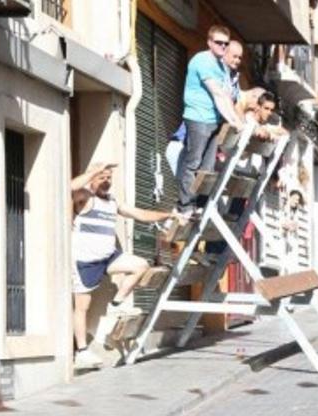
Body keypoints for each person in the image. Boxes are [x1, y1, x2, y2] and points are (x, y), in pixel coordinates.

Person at [71, 163, 180, 369]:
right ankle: (82, 352)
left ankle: (116, 304)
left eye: (109, 177)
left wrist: (169, 215)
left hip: (109, 257)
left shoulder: (113, 201)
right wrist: (94, 170)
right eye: (102, 177)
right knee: (82, 307)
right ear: (92, 178)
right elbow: (69, 188)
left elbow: (141, 214)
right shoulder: (85, 197)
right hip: (85, 261)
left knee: (140, 265)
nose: (106, 181)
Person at [176, 25, 244, 215]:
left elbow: (227, 96)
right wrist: (236, 122)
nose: (222, 46)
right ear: (209, 42)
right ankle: (185, 206)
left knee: (207, 168)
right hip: (198, 118)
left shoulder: (221, 66)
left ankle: (199, 204)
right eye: (218, 42)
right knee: (193, 163)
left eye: (225, 43)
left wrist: (235, 120)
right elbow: (218, 94)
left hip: (214, 120)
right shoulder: (203, 61)